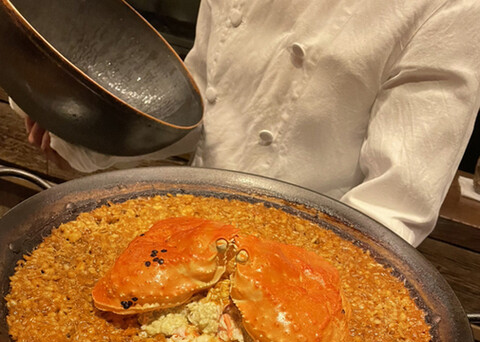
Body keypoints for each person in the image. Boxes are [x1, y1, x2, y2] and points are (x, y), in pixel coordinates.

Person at [21, 0, 480, 247]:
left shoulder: (451, 8)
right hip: (186, 235)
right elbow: (204, 112)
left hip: (309, 268)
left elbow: (392, 207)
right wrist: (83, 132)